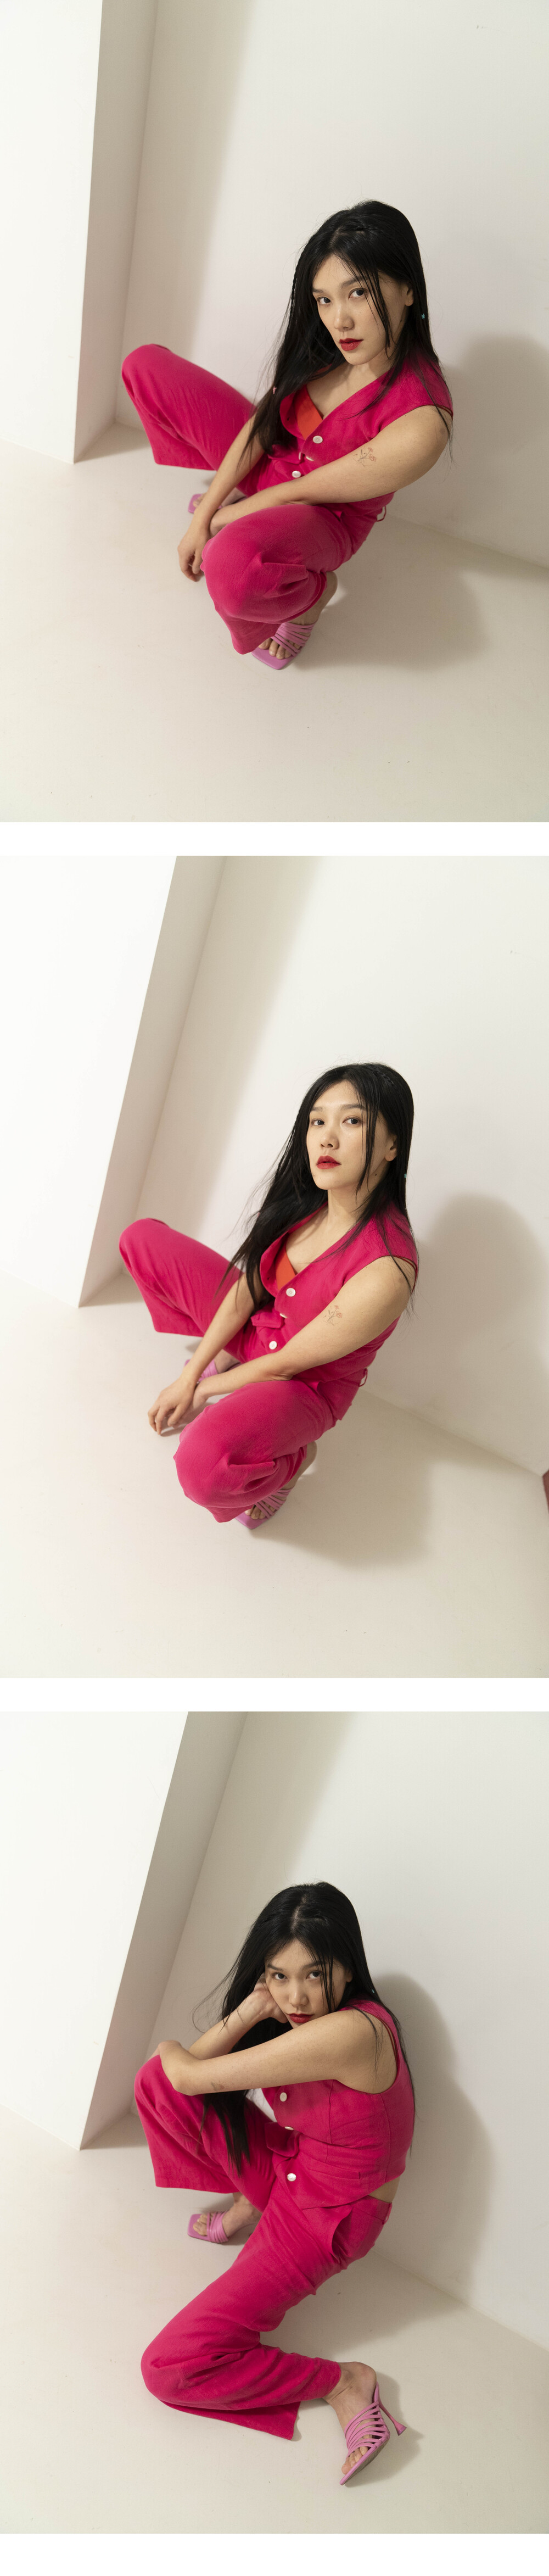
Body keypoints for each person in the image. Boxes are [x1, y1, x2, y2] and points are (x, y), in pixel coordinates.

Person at [135, 1880, 415, 2486]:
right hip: (292, 2165)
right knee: (154, 2083)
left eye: (315, 1974)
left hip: (324, 2222)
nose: (296, 1995)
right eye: (278, 1976)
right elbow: (172, 2082)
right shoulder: (294, 2013)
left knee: (169, 2367)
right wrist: (253, 2008)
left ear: (347, 1966)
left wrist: (167, 2047)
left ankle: (343, 2382)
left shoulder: (351, 2033)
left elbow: (187, 2072)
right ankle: (250, 2202)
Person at [121, 197, 452, 666]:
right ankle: (245, 522)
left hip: (321, 517)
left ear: (408, 290)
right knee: (145, 366)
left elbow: (303, 492)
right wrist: (208, 511)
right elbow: (263, 425)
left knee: (230, 567)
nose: (339, 320)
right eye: (324, 299)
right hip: (271, 469)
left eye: (358, 292)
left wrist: (220, 521)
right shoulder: (327, 349)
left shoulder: (423, 421)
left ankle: (311, 598)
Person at [119, 1060, 418, 1529]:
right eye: (317, 1121)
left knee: (201, 1466)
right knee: (141, 1239)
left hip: (302, 1385)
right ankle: (231, 1360)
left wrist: (200, 1391)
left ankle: (295, 1461)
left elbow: (287, 1364)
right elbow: (248, 1291)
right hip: (262, 1333)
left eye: (352, 1121)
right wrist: (191, 1372)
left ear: (393, 1145)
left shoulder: (387, 1270)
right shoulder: (304, 1202)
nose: (327, 1138)